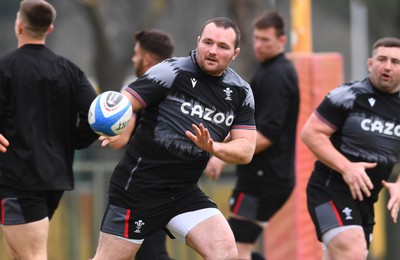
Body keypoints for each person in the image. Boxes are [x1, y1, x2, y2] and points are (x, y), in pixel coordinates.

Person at [91, 17, 257, 260]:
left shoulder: (241, 93)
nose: (212, 51)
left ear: (235, 53)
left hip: (183, 192)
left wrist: (213, 147)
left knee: (225, 252)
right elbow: (125, 102)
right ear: (198, 42)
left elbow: (245, 150)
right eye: (208, 42)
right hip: (138, 190)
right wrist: (113, 123)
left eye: (222, 46)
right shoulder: (171, 71)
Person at [0, 0, 98, 259]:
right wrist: (74, 141)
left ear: (19, 26)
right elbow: (96, 115)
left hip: (18, 180)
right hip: (54, 178)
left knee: (32, 255)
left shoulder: (5, 68)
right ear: (50, 29)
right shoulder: (71, 71)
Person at [205, 10, 299, 260]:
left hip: (264, 177)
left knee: (235, 247)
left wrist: (219, 154)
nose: (258, 45)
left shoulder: (278, 75)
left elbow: (267, 134)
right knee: (234, 245)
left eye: (265, 40)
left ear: (281, 40)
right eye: (256, 38)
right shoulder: (268, 70)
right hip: (263, 176)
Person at [301, 37, 400, 259]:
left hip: (365, 201)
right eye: (382, 59)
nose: (387, 66)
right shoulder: (348, 95)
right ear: (370, 64)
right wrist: (346, 167)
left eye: (395, 61)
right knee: (353, 253)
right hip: (327, 192)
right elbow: (310, 133)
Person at [112, 28, 176, 260]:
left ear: (147, 59)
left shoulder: (144, 91)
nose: (133, 59)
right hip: (175, 184)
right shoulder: (183, 88)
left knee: (151, 253)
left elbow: (119, 141)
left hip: (144, 186)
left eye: (136, 54)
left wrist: (108, 125)